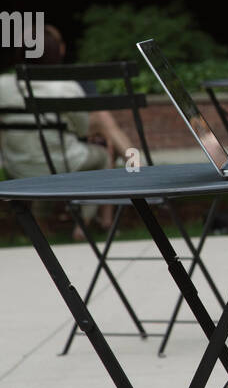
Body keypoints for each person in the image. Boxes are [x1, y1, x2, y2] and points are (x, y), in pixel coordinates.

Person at [0, 25, 136, 235]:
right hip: (61, 163)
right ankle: (83, 225)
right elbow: (81, 129)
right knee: (101, 157)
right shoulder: (65, 87)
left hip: (17, 167)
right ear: (57, 53)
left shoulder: (2, 85)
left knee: (47, 165)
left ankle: (41, 226)